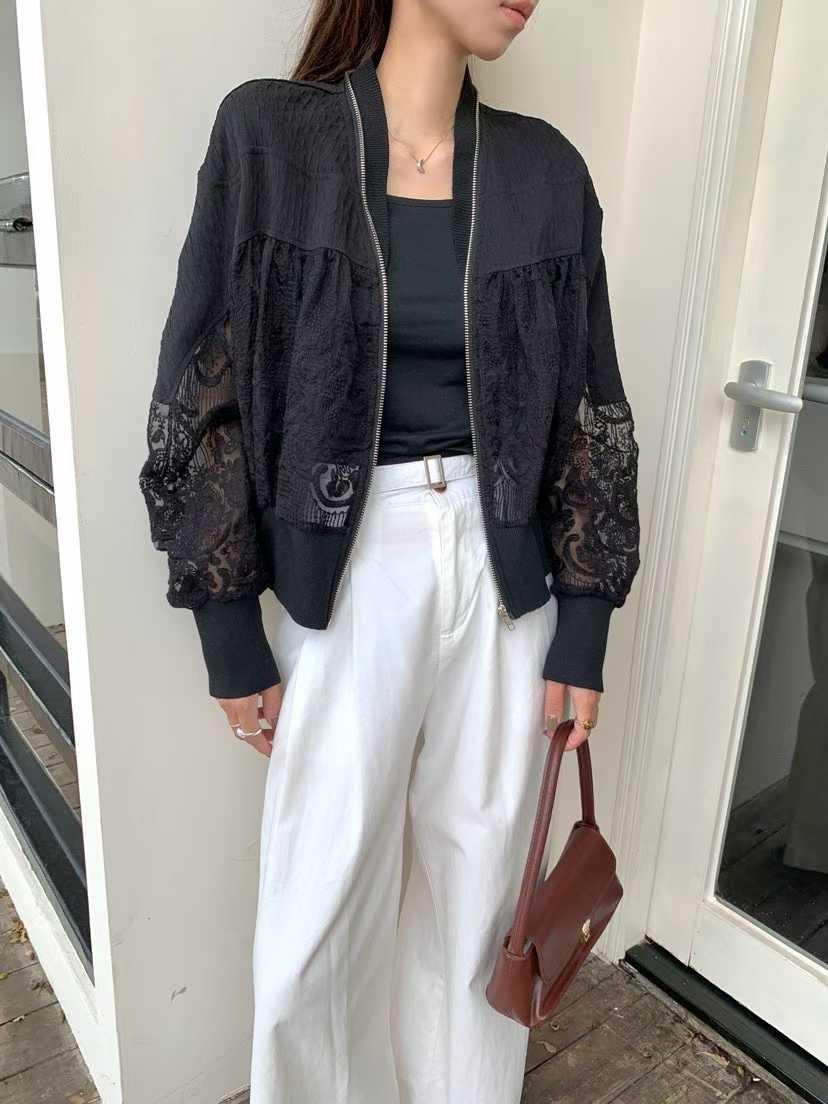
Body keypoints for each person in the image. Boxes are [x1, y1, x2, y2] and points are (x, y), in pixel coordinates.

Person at [137, 0, 641, 1100]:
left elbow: (590, 407)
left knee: (480, 907)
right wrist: (230, 634)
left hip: (509, 583)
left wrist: (584, 630)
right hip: (351, 564)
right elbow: (200, 387)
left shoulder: (544, 172)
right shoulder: (271, 139)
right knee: (314, 925)